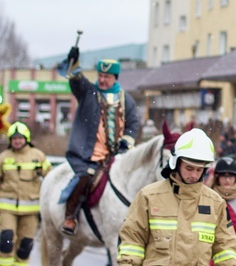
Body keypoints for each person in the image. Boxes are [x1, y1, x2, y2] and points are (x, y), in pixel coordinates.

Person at [118, 128, 236, 265]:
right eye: (189, 168)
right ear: (176, 163)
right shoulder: (148, 197)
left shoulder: (215, 203)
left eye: (199, 169)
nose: (194, 175)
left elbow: (226, 250)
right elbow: (132, 244)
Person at [61, 48, 140, 235]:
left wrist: (126, 142)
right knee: (84, 178)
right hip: (88, 155)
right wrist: (73, 62)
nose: (103, 80)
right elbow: (76, 81)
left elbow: (133, 123)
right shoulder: (88, 92)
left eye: (107, 77)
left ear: (115, 78)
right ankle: (70, 215)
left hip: (116, 156)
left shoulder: (125, 99)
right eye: (101, 75)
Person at [0, 122, 51, 265]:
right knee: (6, 241)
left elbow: (50, 178)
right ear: (10, 140)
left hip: (31, 210)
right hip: (6, 209)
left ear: (26, 138)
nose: (17, 141)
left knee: (25, 246)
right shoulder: (3, 157)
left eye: (20, 138)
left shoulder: (38, 156)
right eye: (14, 138)